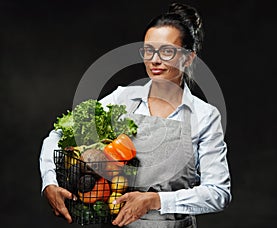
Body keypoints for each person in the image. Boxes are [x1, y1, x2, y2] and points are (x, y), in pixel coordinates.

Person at [39, 2, 231, 228]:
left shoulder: (205, 116)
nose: (155, 60)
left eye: (167, 51)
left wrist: (155, 200)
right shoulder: (121, 99)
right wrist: (49, 182)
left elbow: (218, 193)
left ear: (188, 58)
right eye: (149, 50)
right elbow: (59, 135)